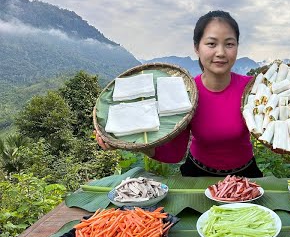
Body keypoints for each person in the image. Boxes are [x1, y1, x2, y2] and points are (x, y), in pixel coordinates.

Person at [95, 10, 264, 178]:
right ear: (197, 47)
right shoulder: (186, 92)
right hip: (197, 177)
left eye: (229, 44)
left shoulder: (252, 88)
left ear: (237, 47)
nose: (220, 52)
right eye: (211, 44)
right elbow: (174, 153)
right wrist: (126, 140)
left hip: (246, 176)